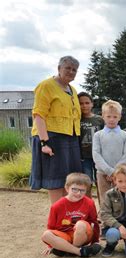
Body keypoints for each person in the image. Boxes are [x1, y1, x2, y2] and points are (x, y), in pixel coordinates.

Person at [30, 56, 83, 205]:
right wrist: (43, 142)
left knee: (70, 180)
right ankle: (56, 218)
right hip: (52, 138)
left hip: (71, 138)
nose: (71, 71)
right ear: (59, 68)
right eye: (68, 68)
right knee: (56, 180)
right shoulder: (46, 85)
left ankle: (69, 215)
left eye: (74, 70)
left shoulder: (72, 90)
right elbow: (38, 115)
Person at [41, 173, 101, 257]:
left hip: (82, 234)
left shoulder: (89, 203)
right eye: (74, 189)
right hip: (65, 236)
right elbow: (51, 227)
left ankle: (65, 249)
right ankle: (78, 251)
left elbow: (94, 222)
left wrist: (95, 241)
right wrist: (50, 245)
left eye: (82, 190)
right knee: (46, 235)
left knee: (80, 224)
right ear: (67, 188)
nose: (78, 193)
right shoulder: (56, 206)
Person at [92, 100, 126, 204]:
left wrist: (115, 172)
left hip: (120, 174)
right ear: (103, 116)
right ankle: (105, 219)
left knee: (119, 197)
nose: (111, 119)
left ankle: (120, 217)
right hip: (102, 173)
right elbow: (96, 154)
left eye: (114, 117)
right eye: (108, 116)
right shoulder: (98, 135)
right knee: (104, 198)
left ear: (119, 117)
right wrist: (108, 171)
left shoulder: (125, 135)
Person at [78, 92, 104, 199]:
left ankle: (102, 209)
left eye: (87, 103)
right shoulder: (76, 119)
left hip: (99, 156)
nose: (84, 106)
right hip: (84, 157)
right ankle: (88, 208)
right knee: (86, 183)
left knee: (100, 183)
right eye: (81, 103)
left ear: (92, 104)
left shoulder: (100, 119)